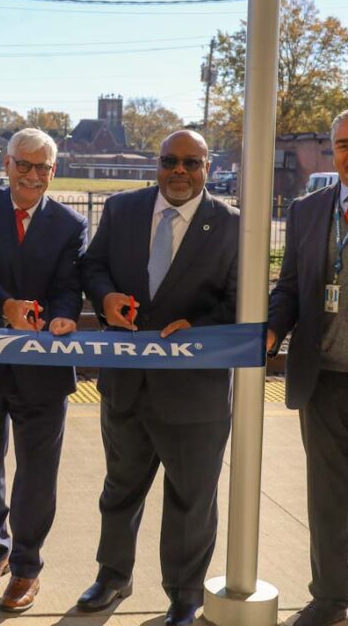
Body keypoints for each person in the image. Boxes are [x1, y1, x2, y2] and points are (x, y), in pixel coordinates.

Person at [79, 130, 238, 626]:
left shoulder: (232, 225)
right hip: (126, 383)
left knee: (191, 499)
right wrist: (104, 298)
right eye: (170, 160)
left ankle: (184, 596)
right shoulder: (123, 210)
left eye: (191, 163)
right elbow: (93, 265)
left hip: (196, 393)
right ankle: (112, 576)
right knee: (120, 488)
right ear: (157, 163)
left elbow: (245, 302)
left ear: (207, 167)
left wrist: (202, 329)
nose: (180, 171)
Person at [0, 127, 86, 612]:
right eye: (24, 164)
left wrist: (64, 313)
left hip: (43, 370)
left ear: (54, 172)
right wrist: (4, 306)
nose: (33, 175)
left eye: (43, 168)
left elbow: (71, 283)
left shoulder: (71, 225)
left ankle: (27, 566)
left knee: (37, 473)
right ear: (6, 164)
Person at [267, 109, 348, 626]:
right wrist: (272, 330)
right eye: (343, 144)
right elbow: (290, 288)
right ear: (332, 150)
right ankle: (330, 597)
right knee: (328, 496)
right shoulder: (308, 211)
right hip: (324, 380)